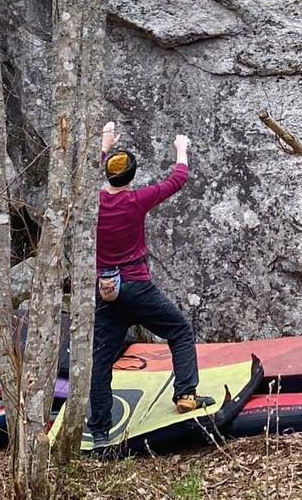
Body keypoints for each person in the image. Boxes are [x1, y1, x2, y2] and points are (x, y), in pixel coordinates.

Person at [88, 122, 213, 443]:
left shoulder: (94, 202)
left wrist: (104, 144)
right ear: (132, 176)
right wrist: (181, 149)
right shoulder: (136, 200)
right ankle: (186, 395)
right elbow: (177, 179)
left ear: (108, 176)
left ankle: (99, 430)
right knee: (179, 331)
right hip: (137, 286)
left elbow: (82, 182)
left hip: (105, 289)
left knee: (101, 359)